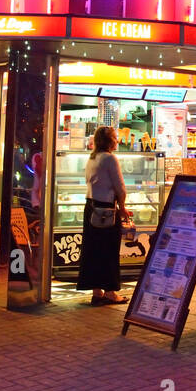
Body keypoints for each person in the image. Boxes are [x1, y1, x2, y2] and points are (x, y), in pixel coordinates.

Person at [78, 126, 131, 306]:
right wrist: (122, 207)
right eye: (115, 138)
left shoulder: (92, 157)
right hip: (107, 211)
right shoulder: (109, 158)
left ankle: (97, 292)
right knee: (108, 251)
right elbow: (120, 187)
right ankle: (110, 292)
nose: (117, 141)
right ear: (108, 141)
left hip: (91, 208)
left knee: (93, 251)